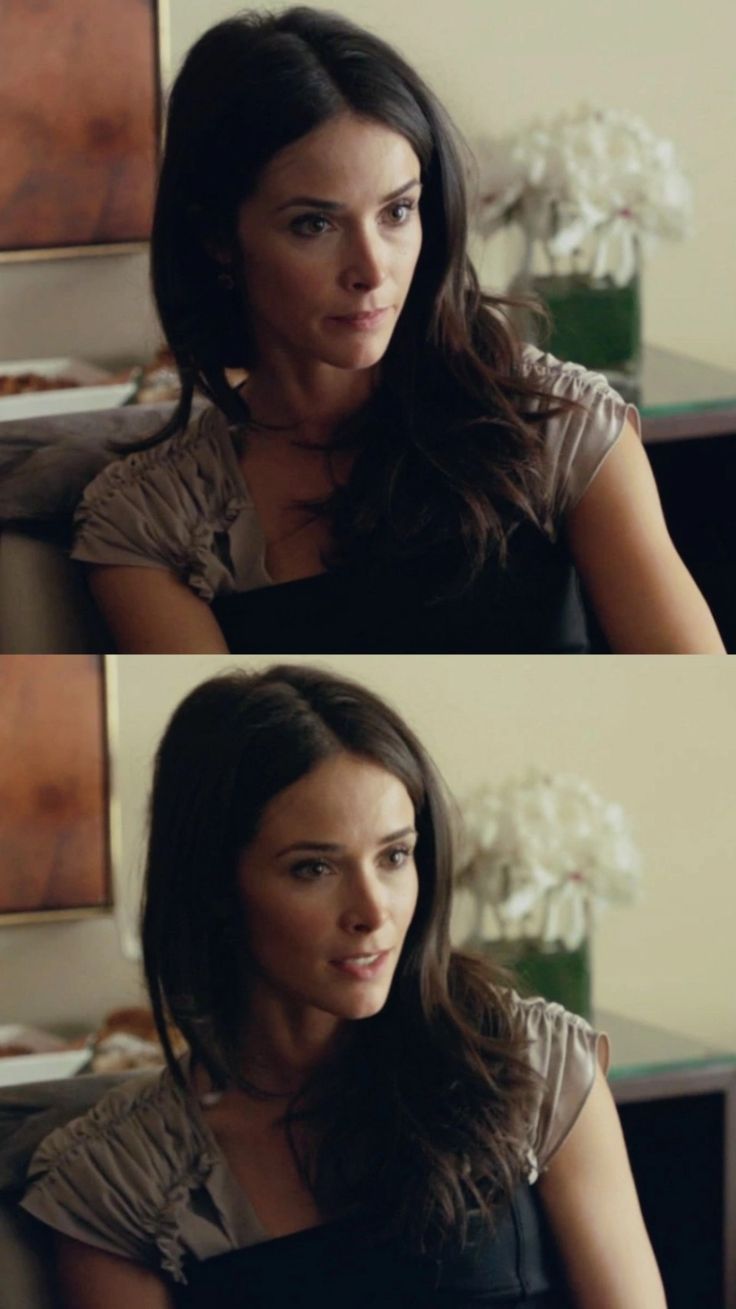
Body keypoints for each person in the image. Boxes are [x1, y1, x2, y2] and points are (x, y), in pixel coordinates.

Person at [67, 8, 723, 654]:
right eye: (314, 224)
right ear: (218, 237)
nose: (372, 268)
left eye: (397, 211)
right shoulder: (151, 521)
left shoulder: (563, 427)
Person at [20, 663, 667, 1307]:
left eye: (394, 856)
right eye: (314, 867)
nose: (373, 910)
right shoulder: (121, 1181)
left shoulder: (530, 1065)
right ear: (216, 885)